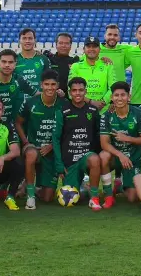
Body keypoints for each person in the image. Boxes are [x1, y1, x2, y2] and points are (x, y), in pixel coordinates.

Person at [53, 77, 106, 211]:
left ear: (85, 91)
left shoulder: (93, 111)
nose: (78, 93)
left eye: (81, 90)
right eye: (74, 90)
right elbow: (56, 138)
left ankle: (94, 198)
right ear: (70, 93)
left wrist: (100, 155)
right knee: (73, 198)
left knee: (94, 158)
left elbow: (99, 135)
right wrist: (59, 165)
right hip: (70, 161)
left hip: (87, 158)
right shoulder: (62, 111)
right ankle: (84, 187)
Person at [17, 70, 66, 208]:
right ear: (41, 85)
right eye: (46, 84)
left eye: (53, 84)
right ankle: (30, 197)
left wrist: (52, 145)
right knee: (31, 154)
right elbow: (18, 122)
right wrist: (26, 142)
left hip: (52, 151)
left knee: (48, 197)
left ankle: (31, 186)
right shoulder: (31, 102)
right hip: (33, 147)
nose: (50, 88)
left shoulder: (63, 103)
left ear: (58, 85)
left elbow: (68, 130)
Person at [99, 81, 141, 205]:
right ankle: (108, 195)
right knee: (103, 156)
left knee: (132, 198)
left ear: (129, 97)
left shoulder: (139, 114)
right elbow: (104, 144)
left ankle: (121, 184)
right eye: (116, 95)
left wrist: (127, 138)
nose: (119, 98)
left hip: (132, 159)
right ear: (112, 98)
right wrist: (120, 155)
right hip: (115, 157)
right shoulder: (106, 116)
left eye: (123, 95)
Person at [0, 49, 37, 130]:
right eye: (4, 62)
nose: (7, 65)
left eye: (10, 62)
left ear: (15, 64)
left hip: (10, 126)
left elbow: (37, 94)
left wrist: (56, 93)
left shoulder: (19, 79)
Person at [69, 36, 117, 111]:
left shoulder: (108, 65)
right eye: (88, 46)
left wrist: (103, 102)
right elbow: (70, 91)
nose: (91, 49)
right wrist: (90, 101)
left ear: (100, 49)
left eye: (94, 46)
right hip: (81, 110)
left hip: (103, 110)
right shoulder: (76, 66)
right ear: (84, 49)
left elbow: (113, 87)